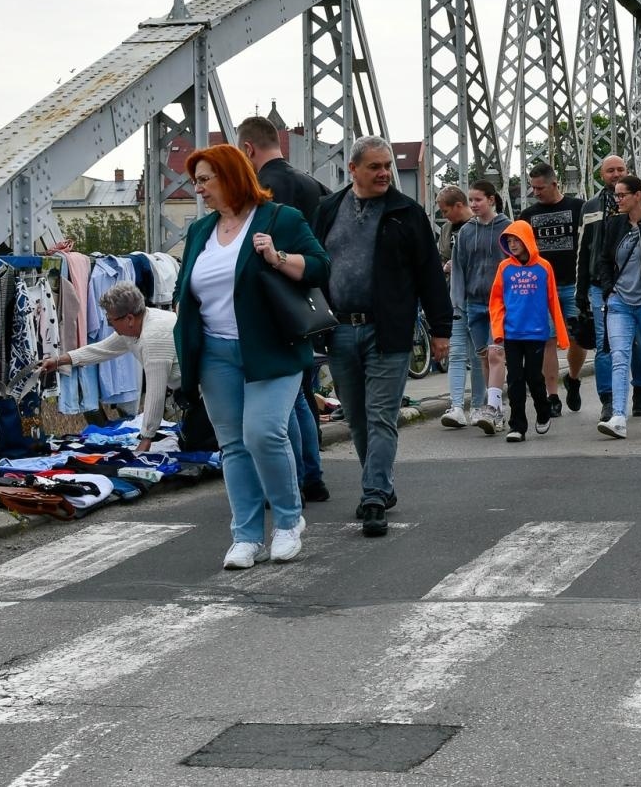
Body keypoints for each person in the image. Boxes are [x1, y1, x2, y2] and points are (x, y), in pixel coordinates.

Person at [173, 144, 329, 570]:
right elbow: (188, 290)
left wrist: (277, 257)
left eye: (206, 179)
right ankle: (244, 535)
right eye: (196, 181)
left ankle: (287, 521)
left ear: (231, 176)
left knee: (263, 433)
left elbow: (319, 267)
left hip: (272, 348)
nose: (199, 189)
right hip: (216, 353)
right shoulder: (201, 231)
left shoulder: (280, 219)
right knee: (234, 446)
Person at [313, 136, 451, 536]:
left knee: (381, 417)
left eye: (387, 166)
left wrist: (441, 330)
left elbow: (429, 273)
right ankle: (381, 483)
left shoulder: (406, 213)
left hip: (387, 329)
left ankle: (373, 494)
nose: (384, 173)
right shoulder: (327, 210)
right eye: (374, 166)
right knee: (356, 418)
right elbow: (312, 264)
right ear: (352, 169)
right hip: (339, 330)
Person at [238, 114, 332, 504]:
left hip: (272, 305)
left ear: (247, 149)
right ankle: (313, 475)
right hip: (310, 299)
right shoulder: (315, 185)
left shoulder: (260, 189)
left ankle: (293, 475)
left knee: (285, 398)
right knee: (302, 392)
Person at [41, 281, 178, 453]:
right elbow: (102, 349)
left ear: (129, 318)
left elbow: (155, 393)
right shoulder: (138, 322)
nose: (110, 325)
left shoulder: (153, 338)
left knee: (204, 443)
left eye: (110, 320)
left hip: (205, 389)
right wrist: (59, 361)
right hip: (190, 388)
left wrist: (146, 439)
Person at [591, 175, 641, 439]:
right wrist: (609, 290)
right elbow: (603, 259)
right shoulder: (614, 224)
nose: (617, 199)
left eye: (622, 195)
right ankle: (618, 417)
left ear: (638, 195)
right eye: (615, 195)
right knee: (619, 357)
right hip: (619, 302)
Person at [575, 155, 641, 423]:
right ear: (601, 174)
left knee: (637, 341)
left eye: (620, 170)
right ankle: (608, 400)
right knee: (604, 343)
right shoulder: (591, 207)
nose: (615, 174)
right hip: (599, 285)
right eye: (610, 171)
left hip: (635, 284)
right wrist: (580, 291)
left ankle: (640, 390)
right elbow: (584, 250)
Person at [489, 220, 570, 443]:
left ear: (527, 240)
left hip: (536, 333)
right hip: (512, 333)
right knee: (514, 379)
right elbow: (495, 301)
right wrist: (498, 330)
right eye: (510, 241)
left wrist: (561, 336)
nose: (513, 245)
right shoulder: (504, 268)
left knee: (535, 378)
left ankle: (543, 411)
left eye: (517, 240)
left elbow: (553, 300)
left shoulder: (544, 267)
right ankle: (517, 426)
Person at [518, 162, 587, 418]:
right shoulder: (527, 215)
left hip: (572, 284)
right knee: (546, 340)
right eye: (533, 188)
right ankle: (552, 396)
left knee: (579, 337)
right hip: (541, 288)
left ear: (554, 184)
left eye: (540, 188)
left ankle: (573, 377)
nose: (535, 192)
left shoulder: (578, 208)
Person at [448, 179, 512, 434]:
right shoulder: (465, 232)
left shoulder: (508, 228)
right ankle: (492, 405)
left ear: (491, 200)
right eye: (471, 200)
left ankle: (494, 409)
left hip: (499, 304)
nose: (473, 204)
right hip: (473, 303)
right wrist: (457, 303)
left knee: (496, 354)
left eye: (478, 200)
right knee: (484, 357)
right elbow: (459, 269)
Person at [436, 186, 486, 429]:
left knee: (478, 355)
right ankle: (456, 406)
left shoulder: (481, 226)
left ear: (458, 205)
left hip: (478, 299)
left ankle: (477, 405)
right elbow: (441, 257)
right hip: (454, 299)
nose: (445, 216)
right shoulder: (447, 231)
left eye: (446, 211)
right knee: (456, 353)